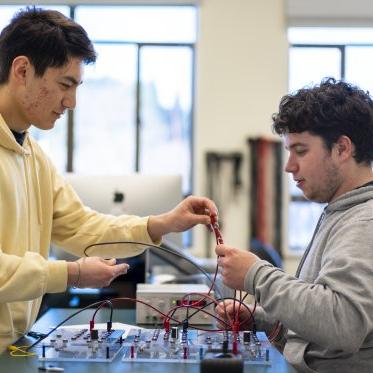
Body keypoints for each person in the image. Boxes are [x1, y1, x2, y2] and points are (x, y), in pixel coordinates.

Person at [0, 7, 217, 352]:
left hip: (15, 343)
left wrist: (161, 224)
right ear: (23, 70)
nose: (71, 102)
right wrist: (70, 275)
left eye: (77, 87)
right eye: (64, 85)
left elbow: (84, 227)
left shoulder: (33, 157)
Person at [215, 78, 373, 372]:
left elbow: (343, 323)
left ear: (342, 149)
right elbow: (320, 326)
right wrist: (261, 319)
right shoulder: (340, 211)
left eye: (300, 151)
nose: (289, 166)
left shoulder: (365, 222)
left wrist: (255, 275)